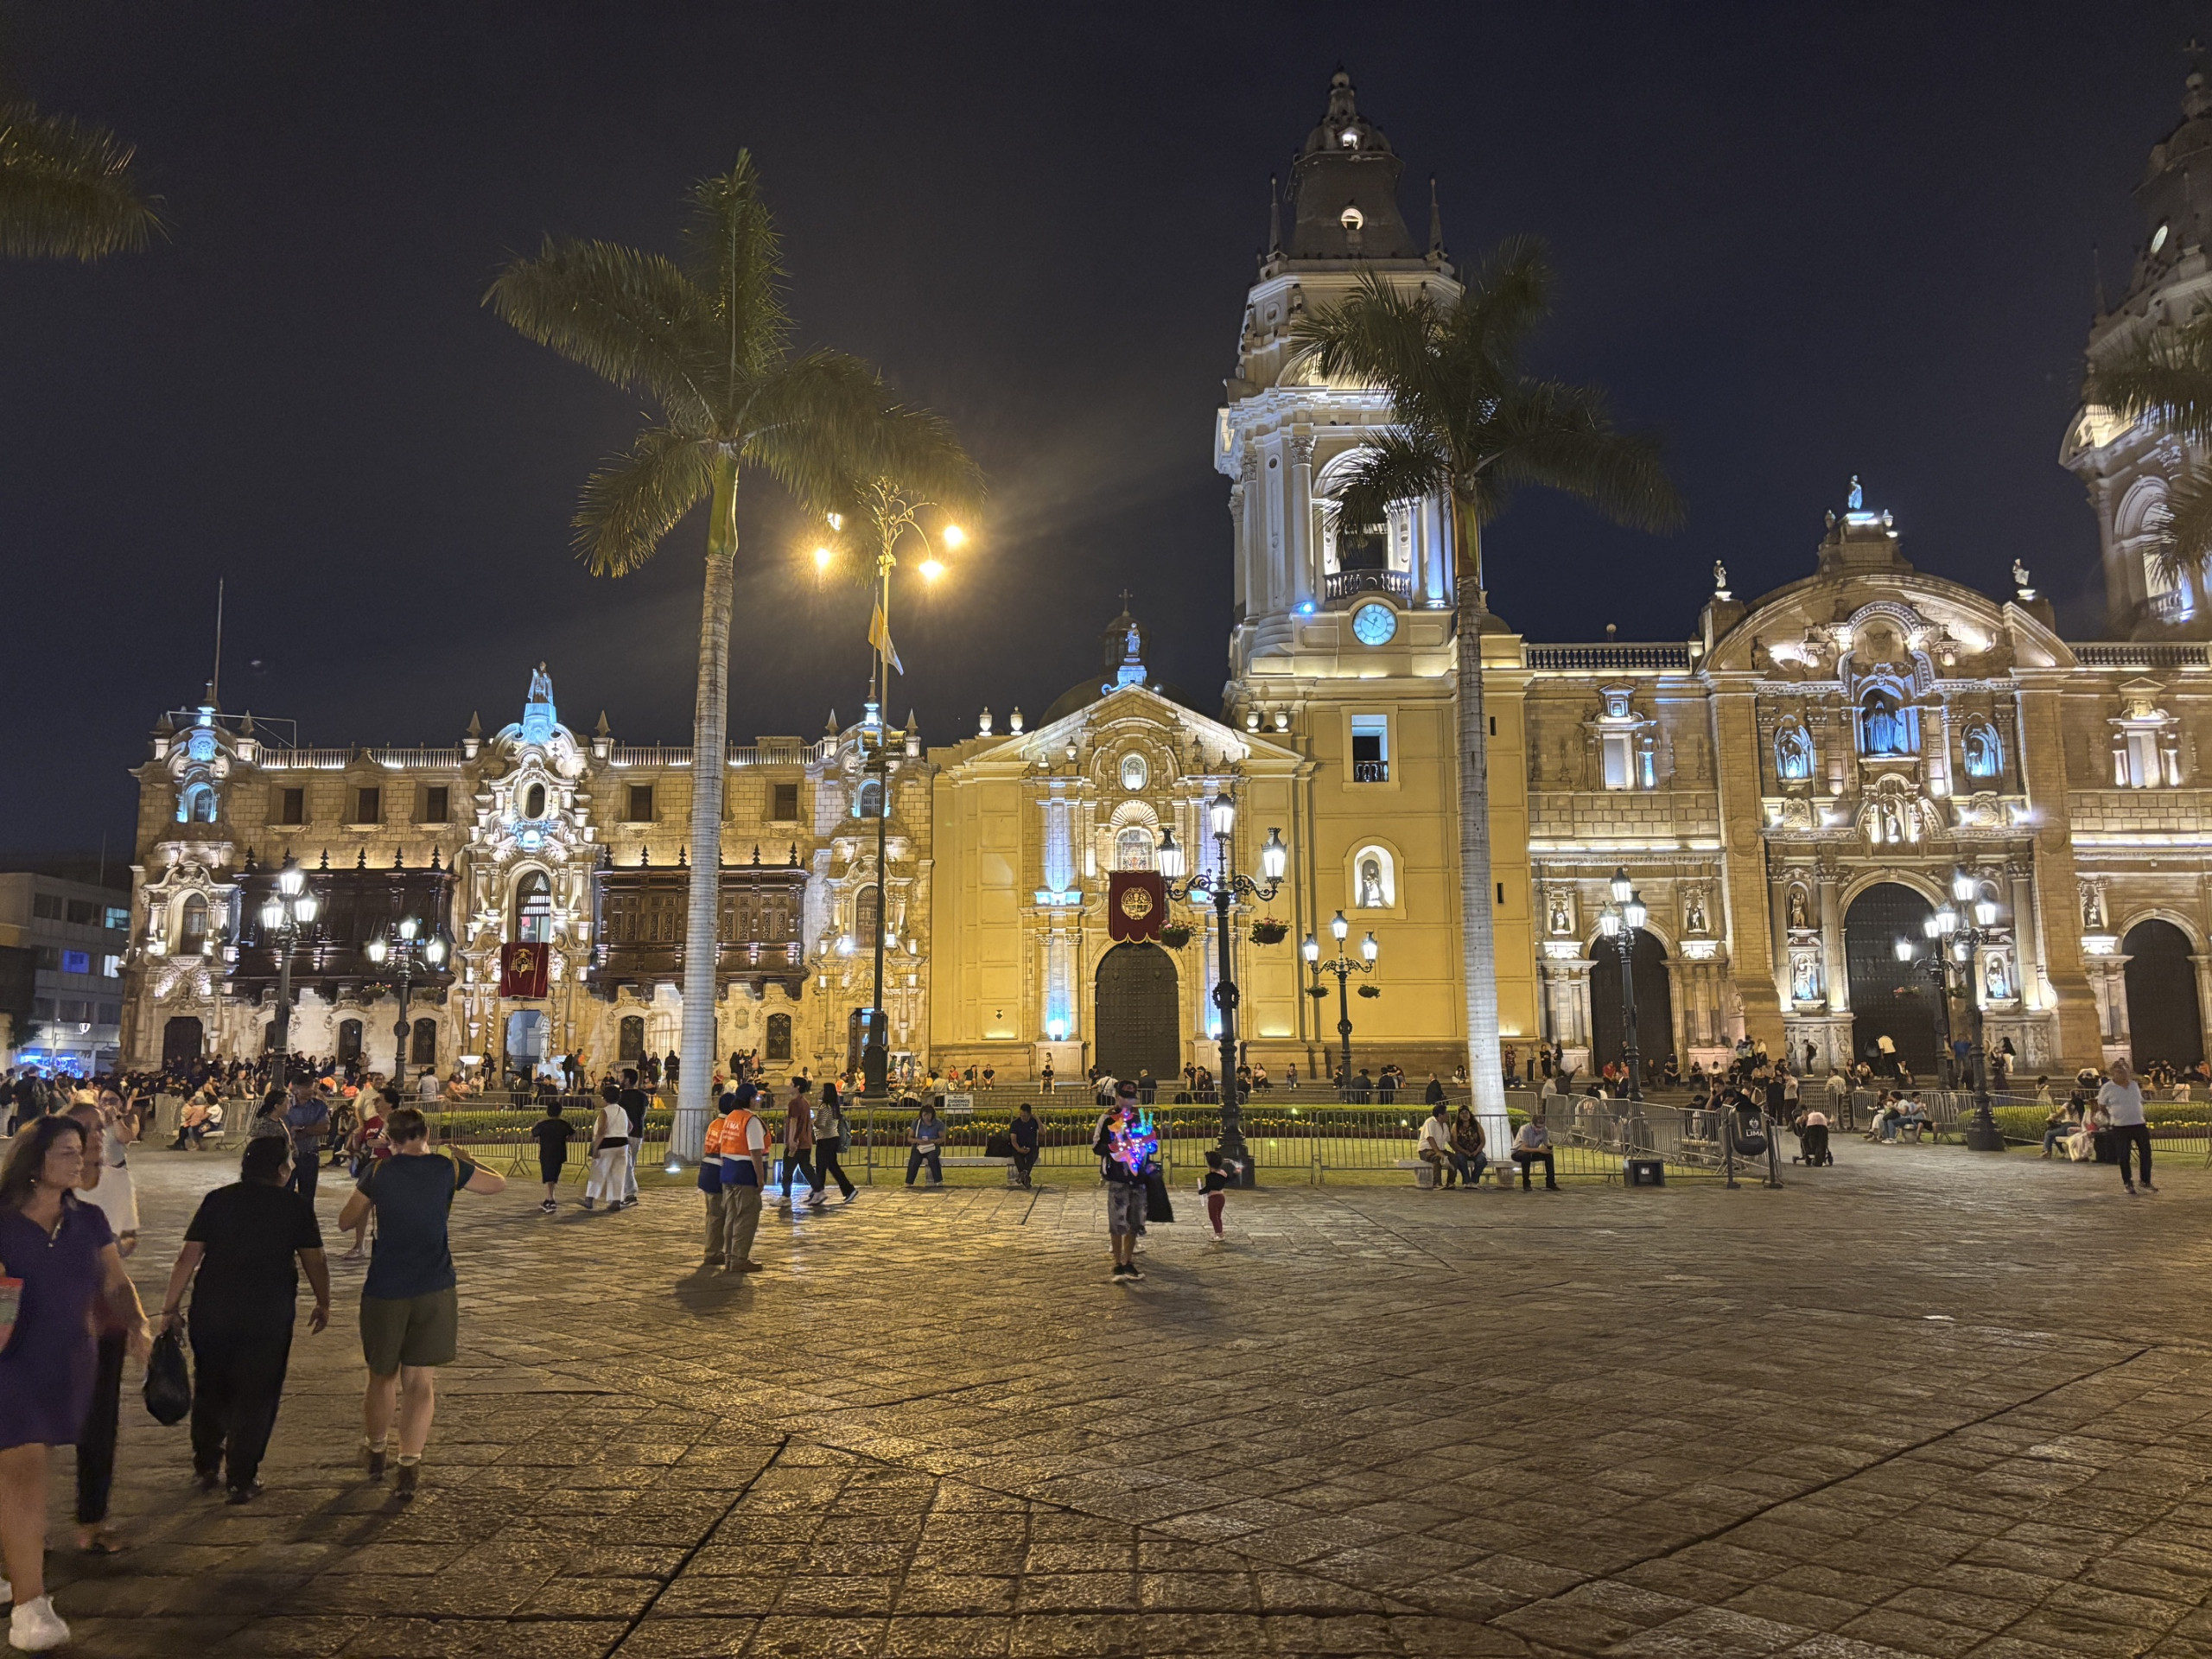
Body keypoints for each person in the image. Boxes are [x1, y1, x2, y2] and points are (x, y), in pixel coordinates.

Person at [0, 1116, 149, 1651]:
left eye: (80, 1151)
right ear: (36, 1162)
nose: (78, 1159)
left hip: (65, 1363)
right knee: (23, 1472)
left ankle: (15, 1576)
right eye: (66, 1151)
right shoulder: (3, 1219)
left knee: (23, 1468)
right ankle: (29, 1608)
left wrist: (138, 1322)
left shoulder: (87, 1220)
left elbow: (115, 1280)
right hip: (9, 1361)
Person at [335, 1108, 504, 1500]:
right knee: (420, 1383)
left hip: (386, 1286)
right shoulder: (447, 1170)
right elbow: (498, 1186)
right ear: (426, 1133)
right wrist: (467, 1159)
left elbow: (346, 1221)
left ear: (389, 1141)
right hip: (434, 1285)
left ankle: (376, 1449)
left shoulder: (378, 1173)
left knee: (381, 1376)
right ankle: (409, 1462)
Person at [154, 1135, 329, 1505]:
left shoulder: (218, 1199)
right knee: (258, 1393)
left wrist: (170, 1308)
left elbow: (188, 1256)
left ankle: (205, 1462)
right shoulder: (293, 1206)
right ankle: (241, 1476)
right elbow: (315, 1259)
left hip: (212, 1308)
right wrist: (323, 1300)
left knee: (211, 1385)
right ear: (282, 1169)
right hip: (267, 1312)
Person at [65, 1096, 139, 1554]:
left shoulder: (109, 1190)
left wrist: (139, 1323)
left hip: (101, 1316)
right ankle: (19, 1523)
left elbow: (121, 1261)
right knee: (27, 1430)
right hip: (48, 1321)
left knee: (99, 1421)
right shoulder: (26, 1199)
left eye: (99, 1128)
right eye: (86, 1129)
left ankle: (91, 1519)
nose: (98, 1135)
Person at [1094, 1081, 1154, 1279]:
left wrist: (1145, 1144)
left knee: (1134, 1221)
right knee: (1118, 1220)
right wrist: (1115, 1147)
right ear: (1117, 1096)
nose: (1127, 1101)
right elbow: (1096, 1146)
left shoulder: (1140, 1117)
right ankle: (1118, 1263)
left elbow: (1153, 1145)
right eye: (1124, 1097)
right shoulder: (1107, 1117)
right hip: (1117, 1175)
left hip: (1138, 1176)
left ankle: (1129, 1261)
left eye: (1131, 1097)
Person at [716, 1085, 769, 1272]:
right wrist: (760, 1178)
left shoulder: (731, 1117)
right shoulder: (750, 1120)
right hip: (745, 1173)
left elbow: (723, 1145)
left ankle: (730, 1256)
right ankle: (739, 1258)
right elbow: (755, 1151)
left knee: (731, 1216)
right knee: (746, 1216)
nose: (759, 1100)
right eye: (756, 1097)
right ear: (749, 1099)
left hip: (729, 1171)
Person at [2101, 1058, 2154, 1194]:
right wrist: (2111, 1116)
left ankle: (2145, 1181)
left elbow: (2138, 1101)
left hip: (2139, 1123)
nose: (2123, 1074)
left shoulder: (2134, 1085)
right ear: (2113, 1073)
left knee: (2146, 1153)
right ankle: (2128, 1182)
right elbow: (2101, 1105)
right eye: (2119, 1072)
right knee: (2124, 1155)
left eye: (2125, 1071)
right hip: (2120, 1126)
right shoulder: (2108, 1087)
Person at [281, 1076, 333, 1205]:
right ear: (296, 1089)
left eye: (312, 1087)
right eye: (307, 1087)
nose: (312, 1090)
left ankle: (305, 1221)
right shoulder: (286, 1106)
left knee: (308, 1194)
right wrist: (309, 1129)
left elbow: (324, 1128)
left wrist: (302, 1130)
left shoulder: (319, 1106)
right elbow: (285, 1130)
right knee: (285, 1192)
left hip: (310, 1153)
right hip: (288, 1154)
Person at [583, 1087, 632, 1211]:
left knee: (598, 1171)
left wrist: (595, 1148)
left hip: (607, 1144)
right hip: (622, 1144)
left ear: (605, 1098)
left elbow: (601, 1130)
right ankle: (616, 1200)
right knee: (618, 1173)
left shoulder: (605, 1111)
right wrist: (621, 1132)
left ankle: (590, 1197)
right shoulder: (622, 1111)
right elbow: (630, 1126)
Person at [780, 1077, 823, 1206]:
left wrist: (792, 1140)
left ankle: (786, 1196)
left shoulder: (794, 1103)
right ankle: (818, 1191)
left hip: (797, 1142)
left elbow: (794, 1122)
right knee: (806, 1168)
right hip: (805, 1142)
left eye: (791, 1084)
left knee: (787, 1170)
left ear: (797, 1087)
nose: (789, 1086)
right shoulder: (805, 1102)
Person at [814, 1082, 856, 1203]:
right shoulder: (834, 1106)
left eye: (822, 1090)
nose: (821, 1092)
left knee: (827, 1167)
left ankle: (847, 1189)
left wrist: (813, 1121)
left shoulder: (824, 1107)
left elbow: (820, 1124)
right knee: (827, 1167)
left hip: (825, 1139)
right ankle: (818, 1192)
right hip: (833, 1138)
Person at [530, 1099, 574, 1213]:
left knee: (548, 1176)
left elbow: (533, 1133)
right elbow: (572, 1133)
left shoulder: (543, 1125)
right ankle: (550, 1198)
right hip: (559, 1152)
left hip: (546, 1153)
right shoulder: (563, 1124)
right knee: (554, 1175)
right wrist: (565, 1139)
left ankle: (550, 1200)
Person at [617, 1067, 651, 1206]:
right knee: (630, 1164)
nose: (619, 1079)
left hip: (625, 1133)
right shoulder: (642, 1096)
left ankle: (630, 1194)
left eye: (621, 1077)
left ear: (627, 1080)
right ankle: (625, 1192)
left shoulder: (620, 1096)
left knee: (627, 1165)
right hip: (638, 1133)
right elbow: (644, 1113)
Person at [1512, 1110, 1559, 1191]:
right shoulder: (1525, 1129)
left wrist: (1549, 1148)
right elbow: (1524, 1148)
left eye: (1541, 1127)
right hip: (1518, 1152)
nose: (1539, 1130)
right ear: (1532, 1124)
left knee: (1549, 1156)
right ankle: (1526, 1184)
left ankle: (1551, 1183)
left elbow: (1546, 1143)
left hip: (1533, 1151)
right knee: (1525, 1156)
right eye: (1537, 1127)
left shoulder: (1544, 1130)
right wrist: (1539, 1150)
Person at [1415, 1102, 1458, 1189]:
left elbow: (1449, 1140)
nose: (1448, 1115)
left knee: (1454, 1158)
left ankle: (1450, 1182)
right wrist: (1438, 1152)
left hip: (1440, 1149)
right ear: (1440, 1115)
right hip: (1426, 1150)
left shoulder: (1445, 1125)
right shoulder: (1430, 1122)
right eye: (1446, 1113)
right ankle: (1437, 1183)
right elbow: (1430, 1138)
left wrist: (1458, 1151)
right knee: (1437, 1158)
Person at [906, 1100, 945, 1185]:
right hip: (919, 1146)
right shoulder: (917, 1123)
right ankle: (909, 1181)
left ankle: (938, 1180)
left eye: (928, 1115)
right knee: (915, 1159)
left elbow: (942, 1138)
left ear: (932, 1115)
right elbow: (910, 1138)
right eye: (924, 1115)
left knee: (932, 1158)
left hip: (932, 1147)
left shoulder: (938, 1124)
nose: (926, 1118)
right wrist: (918, 1141)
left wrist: (932, 1141)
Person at [1452, 1105, 1488, 1189]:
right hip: (1462, 1151)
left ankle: (1474, 1181)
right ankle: (1466, 1181)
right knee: (1460, 1159)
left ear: (1470, 1114)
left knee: (1481, 1160)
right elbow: (1454, 1142)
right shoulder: (1456, 1126)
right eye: (1462, 1113)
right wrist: (1464, 1151)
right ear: (1459, 1116)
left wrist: (1477, 1151)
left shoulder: (1476, 1125)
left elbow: (1483, 1141)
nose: (1465, 1115)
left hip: (1476, 1151)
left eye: (1466, 1113)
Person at [1198, 1150, 1231, 1239]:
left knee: (1213, 1216)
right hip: (1221, 1196)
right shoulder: (1222, 1173)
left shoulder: (1211, 1176)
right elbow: (1227, 1179)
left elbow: (1209, 1187)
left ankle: (1218, 1233)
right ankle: (1220, 1232)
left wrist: (1201, 1191)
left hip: (1214, 1197)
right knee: (1218, 1216)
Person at [1008, 1103, 1040, 1188]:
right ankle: (1025, 1176)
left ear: (1030, 1114)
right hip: (1019, 1146)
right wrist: (1019, 1149)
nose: (1023, 1117)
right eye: (1021, 1115)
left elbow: (1043, 1132)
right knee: (1018, 1158)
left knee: (1033, 1154)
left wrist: (1037, 1119)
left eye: (1025, 1116)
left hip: (1031, 1147)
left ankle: (1023, 1175)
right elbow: (1013, 1139)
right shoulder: (1015, 1123)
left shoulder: (1033, 1122)